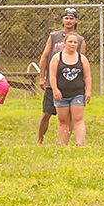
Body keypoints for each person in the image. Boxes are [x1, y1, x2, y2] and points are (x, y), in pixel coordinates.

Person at [37, 8, 86, 144]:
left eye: (71, 18)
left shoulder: (80, 40)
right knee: (47, 112)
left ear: (76, 21)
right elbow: (45, 56)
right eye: (66, 18)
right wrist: (42, 77)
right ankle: (40, 139)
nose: (69, 21)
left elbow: (82, 62)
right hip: (53, 82)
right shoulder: (54, 37)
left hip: (71, 83)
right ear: (62, 20)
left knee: (70, 115)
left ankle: (66, 141)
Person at [48, 33, 91, 145]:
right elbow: (52, 76)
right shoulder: (57, 58)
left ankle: (79, 143)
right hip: (61, 95)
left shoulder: (82, 59)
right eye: (70, 41)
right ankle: (63, 144)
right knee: (63, 121)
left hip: (77, 93)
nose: (72, 44)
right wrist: (55, 90)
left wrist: (88, 91)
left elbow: (87, 76)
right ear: (64, 43)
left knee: (78, 119)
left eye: (75, 42)